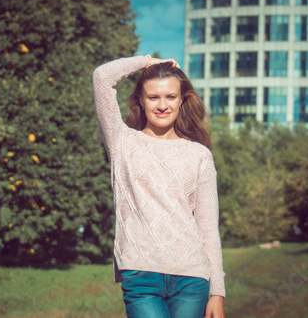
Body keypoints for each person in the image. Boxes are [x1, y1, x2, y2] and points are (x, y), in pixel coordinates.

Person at [92, 55, 225, 318]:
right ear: (141, 101)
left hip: (192, 277)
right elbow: (101, 77)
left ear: (181, 100)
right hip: (141, 275)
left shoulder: (199, 155)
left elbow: (208, 228)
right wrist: (147, 61)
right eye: (153, 97)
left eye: (171, 97)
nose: (162, 105)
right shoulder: (122, 142)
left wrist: (218, 292)